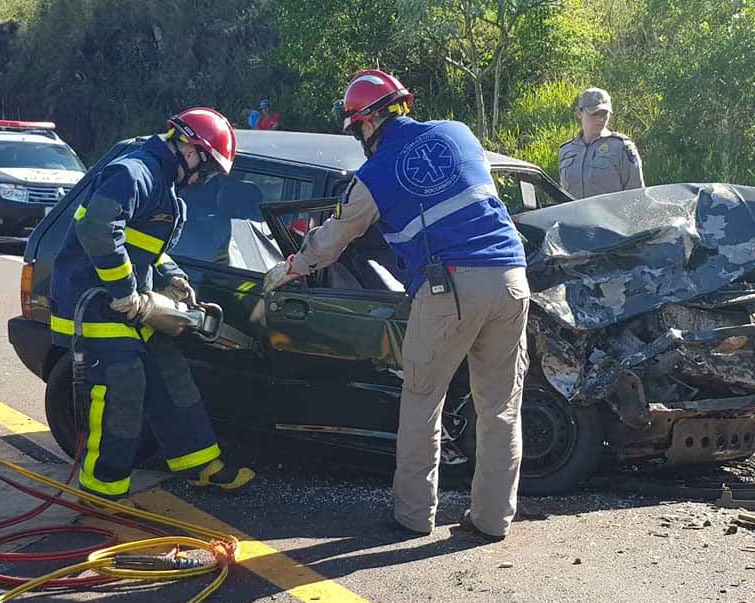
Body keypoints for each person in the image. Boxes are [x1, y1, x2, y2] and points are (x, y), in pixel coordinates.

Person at [264, 70, 530, 542]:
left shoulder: (372, 177)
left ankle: (412, 517)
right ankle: (491, 521)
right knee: (501, 408)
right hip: (511, 277)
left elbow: (332, 242)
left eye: (356, 128)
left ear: (367, 124)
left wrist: (293, 268)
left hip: (447, 288)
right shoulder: (459, 133)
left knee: (424, 401)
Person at [49, 107, 255, 501]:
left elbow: (148, 248)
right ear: (189, 150)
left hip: (133, 303)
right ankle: (101, 490)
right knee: (123, 388)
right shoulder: (135, 174)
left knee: (172, 374)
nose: (202, 179)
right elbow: (97, 228)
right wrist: (126, 291)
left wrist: (173, 278)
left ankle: (201, 465)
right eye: (207, 168)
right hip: (95, 305)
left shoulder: (163, 183)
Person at [557, 87, 644, 199]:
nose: (600, 119)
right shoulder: (566, 150)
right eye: (594, 114)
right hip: (574, 216)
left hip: (610, 216)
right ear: (579, 113)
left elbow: (637, 195)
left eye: (604, 114)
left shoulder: (621, 147)